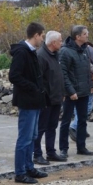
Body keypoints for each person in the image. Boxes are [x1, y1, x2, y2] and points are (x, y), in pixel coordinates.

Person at [8, 22, 49, 184]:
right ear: (36, 35)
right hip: (27, 101)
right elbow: (14, 76)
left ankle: (29, 167)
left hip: (35, 101)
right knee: (24, 138)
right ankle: (20, 172)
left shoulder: (31, 52)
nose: (43, 40)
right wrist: (32, 88)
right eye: (42, 36)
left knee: (32, 136)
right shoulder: (22, 52)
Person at [58, 25, 93, 156]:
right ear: (77, 37)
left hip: (84, 92)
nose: (87, 35)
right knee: (66, 121)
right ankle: (63, 149)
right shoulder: (65, 52)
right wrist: (71, 91)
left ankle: (81, 147)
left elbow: (87, 70)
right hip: (70, 94)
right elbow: (64, 74)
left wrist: (91, 85)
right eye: (85, 34)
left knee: (82, 121)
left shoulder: (85, 50)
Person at [33, 31, 67, 165]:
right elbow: (39, 80)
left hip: (56, 98)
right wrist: (43, 97)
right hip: (46, 100)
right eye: (60, 40)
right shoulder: (41, 56)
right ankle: (37, 154)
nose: (62, 43)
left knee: (52, 126)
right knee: (41, 128)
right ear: (53, 43)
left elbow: (58, 76)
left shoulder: (55, 55)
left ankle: (51, 152)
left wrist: (62, 93)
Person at [69, 41, 93, 141]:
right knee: (87, 107)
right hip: (87, 85)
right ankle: (74, 127)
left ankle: (81, 128)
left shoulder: (71, 51)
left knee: (78, 108)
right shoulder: (88, 52)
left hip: (77, 86)